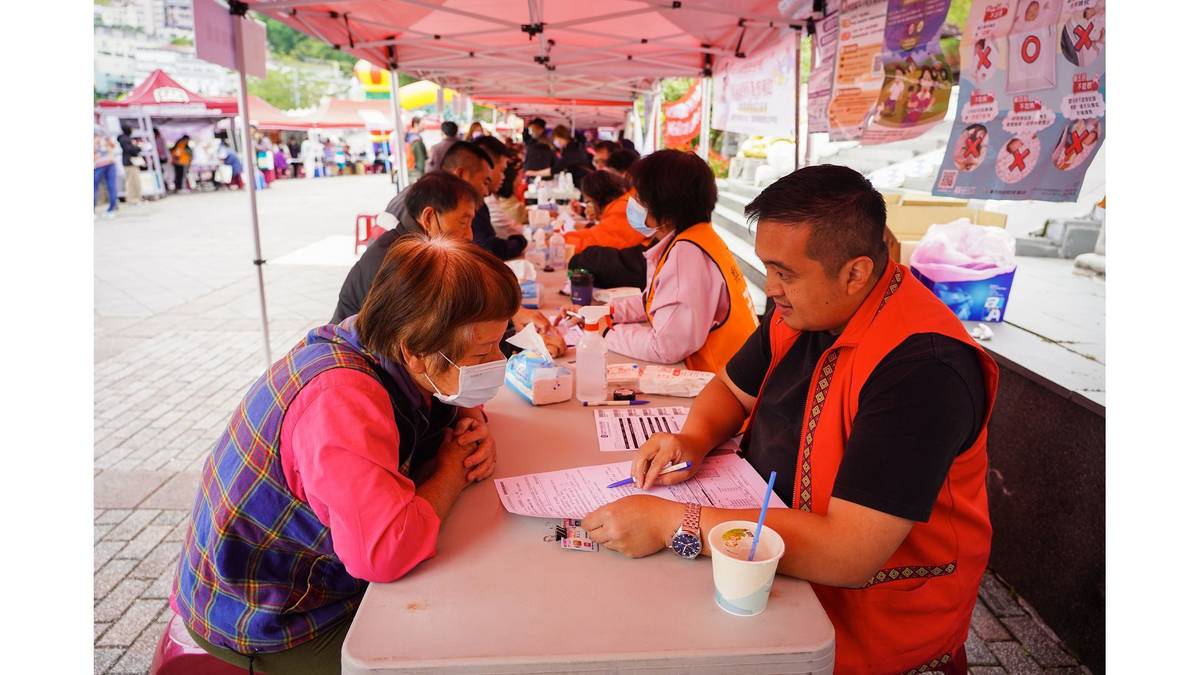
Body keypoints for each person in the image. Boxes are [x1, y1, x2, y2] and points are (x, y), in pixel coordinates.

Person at [579, 165, 995, 675]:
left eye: (786, 272)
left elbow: (850, 551)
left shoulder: (923, 367)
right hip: (771, 568)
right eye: (768, 268)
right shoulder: (801, 311)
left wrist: (673, 524)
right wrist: (692, 437)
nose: (771, 288)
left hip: (867, 624)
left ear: (855, 272)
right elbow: (731, 390)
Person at [173, 235, 519, 675]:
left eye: (497, 346)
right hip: (267, 612)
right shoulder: (342, 401)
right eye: (481, 354)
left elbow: (444, 384)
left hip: (305, 577)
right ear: (414, 351)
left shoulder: (380, 334)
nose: (497, 363)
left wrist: (469, 412)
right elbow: (385, 554)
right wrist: (452, 469)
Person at [559, 150, 758, 371]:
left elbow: (665, 347)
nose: (632, 203)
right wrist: (603, 312)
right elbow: (653, 302)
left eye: (639, 198)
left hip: (713, 379)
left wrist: (602, 331)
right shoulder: (695, 238)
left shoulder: (688, 255)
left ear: (666, 206)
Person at [334, 171, 481, 323]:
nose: (469, 235)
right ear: (429, 218)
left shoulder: (417, 247)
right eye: (463, 222)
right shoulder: (401, 260)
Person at [470, 136, 528, 260]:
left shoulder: (479, 202)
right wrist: (519, 241)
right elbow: (487, 248)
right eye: (502, 170)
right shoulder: (467, 202)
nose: (503, 177)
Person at [563, 170, 645, 254]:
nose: (588, 206)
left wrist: (559, 240)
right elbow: (598, 234)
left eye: (588, 201)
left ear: (596, 198)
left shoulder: (623, 210)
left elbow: (594, 243)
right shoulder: (624, 203)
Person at [94, 122, 119, 218]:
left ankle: (93, 211)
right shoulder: (106, 139)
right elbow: (113, 146)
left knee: (94, 188)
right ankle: (111, 210)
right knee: (112, 187)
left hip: (99, 165)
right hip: (110, 163)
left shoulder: (96, 140)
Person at [117, 125, 144, 206]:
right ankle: (132, 199)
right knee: (131, 182)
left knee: (135, 181)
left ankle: (136, 198)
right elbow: (130, 149)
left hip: (131, 162)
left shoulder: (125, 138)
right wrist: (138, 147)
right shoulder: (124, 139)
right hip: (129, 162)